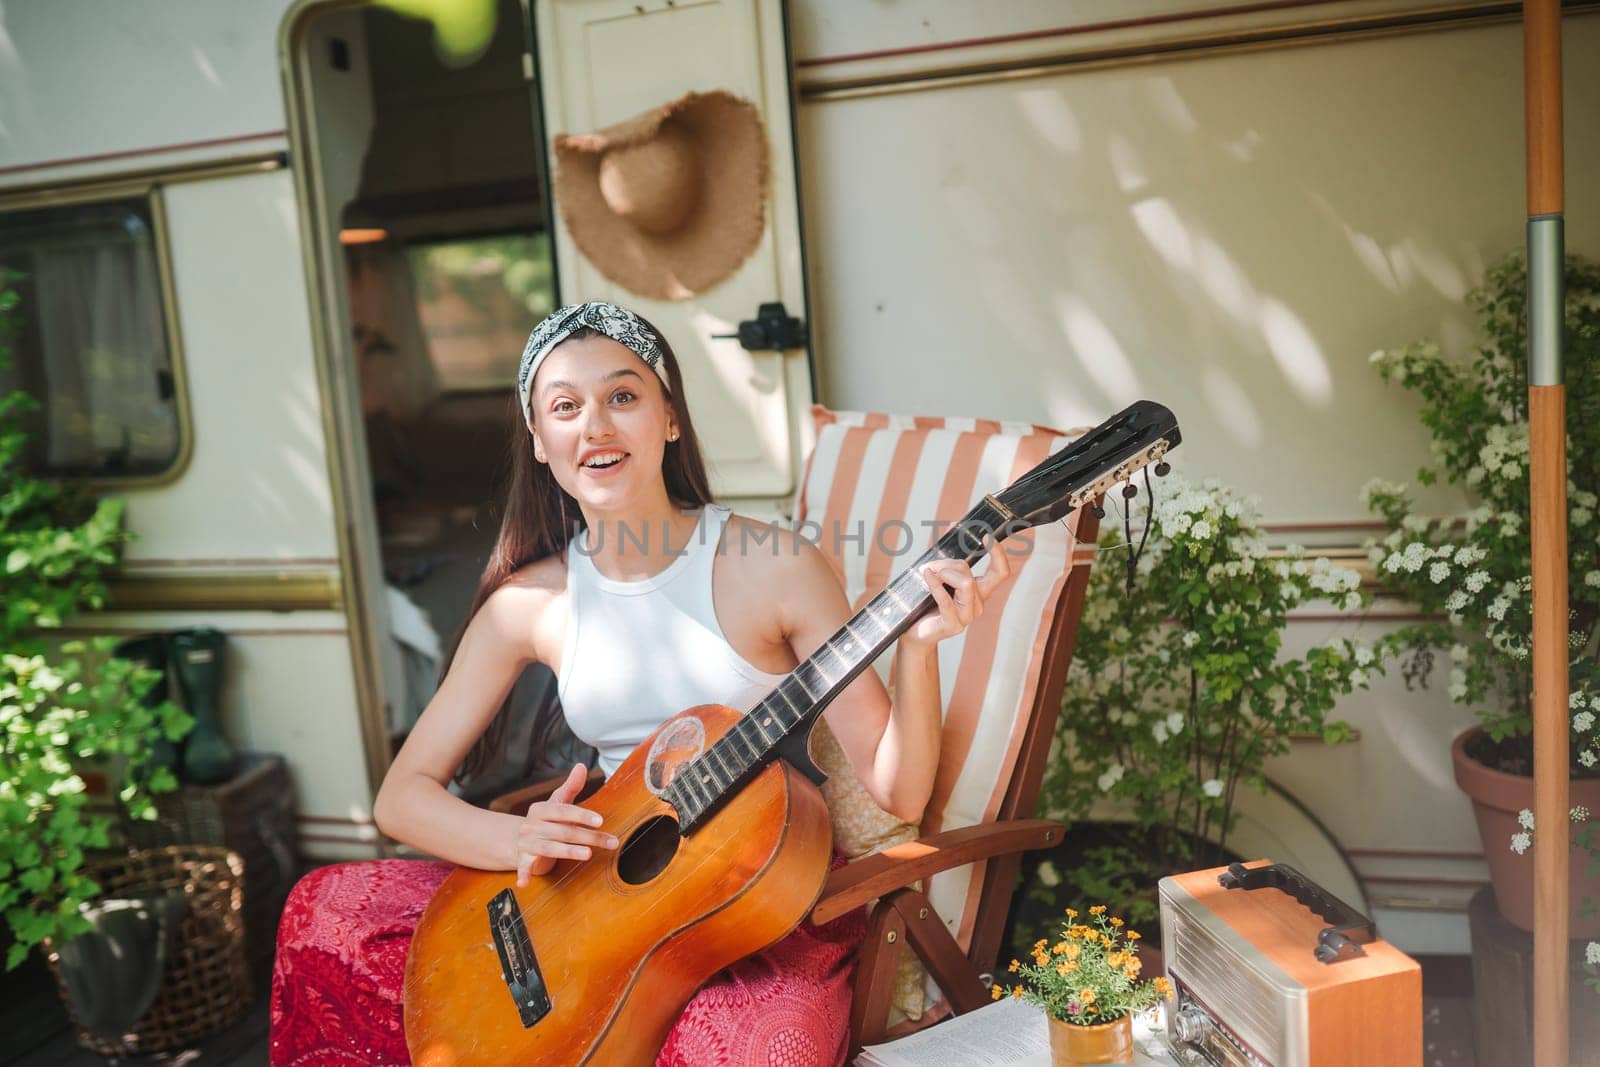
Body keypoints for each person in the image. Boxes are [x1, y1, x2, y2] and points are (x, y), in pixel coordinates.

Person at [268, 301, 1013, 1067]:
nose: (595, 426)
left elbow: (898, 791)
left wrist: (918, 649)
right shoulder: (531, 602)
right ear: (540, 441)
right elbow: (403, 794)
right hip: (588, 901)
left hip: (753, 910)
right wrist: (518, 836)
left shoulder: (772, 565)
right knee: (323, 912)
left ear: (669, 419)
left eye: (623, 396)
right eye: (565, 407)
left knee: (752, 1052)